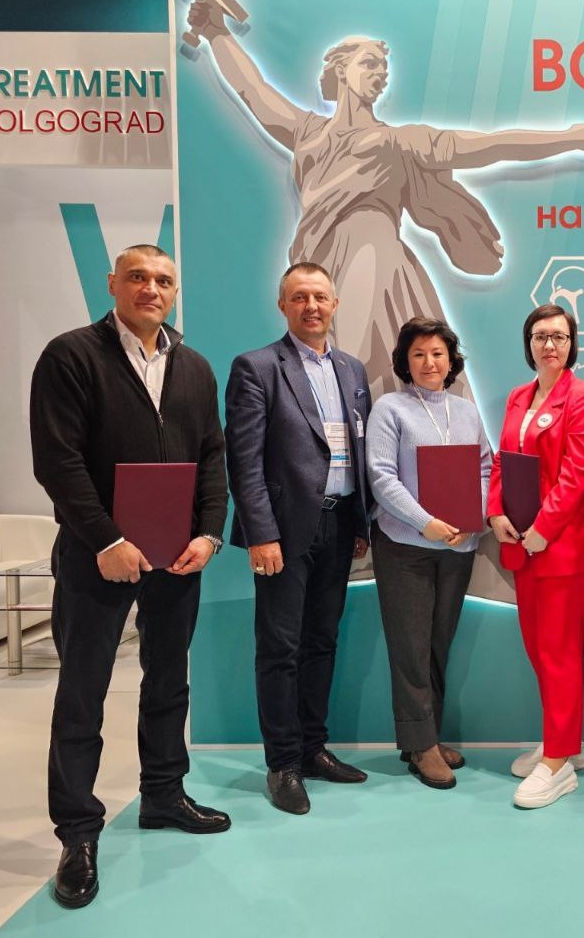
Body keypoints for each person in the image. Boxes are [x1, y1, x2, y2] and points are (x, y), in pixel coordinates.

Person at [186, 0, 584, 395]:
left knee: (357, 362)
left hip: (373, 257)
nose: (379, 75)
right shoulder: (306, 132)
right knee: (320, 367)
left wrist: (567, 138)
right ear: (341, 70)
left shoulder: (400, 141)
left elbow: (489, 145)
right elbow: (252, 89)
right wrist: (216, 31)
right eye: (369, 64)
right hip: (319, 262)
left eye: (383, 69)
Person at [29, 245, 231, 910]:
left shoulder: (194, 366)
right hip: (97, 557)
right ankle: (78, 834)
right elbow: (57, 461)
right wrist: (106, 539)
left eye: (164, 279)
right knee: (82, 693)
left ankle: (164, 794)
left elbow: (212, 455)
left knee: (169, 680)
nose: (151, 288)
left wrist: (208, 533)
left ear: (175, 291)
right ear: (112, 283)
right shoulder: (71, 356)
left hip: (177, 556)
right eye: (138, 277)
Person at [224, 262, 372, 816]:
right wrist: (260, 533)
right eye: (300, 297)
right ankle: (283, 763)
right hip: (282, 534)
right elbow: (244, 460)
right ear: (282, 305)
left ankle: (313, 748)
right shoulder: (258, 367)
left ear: (335, 305)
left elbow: (356, 449)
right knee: (280, 649)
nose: (312, 306)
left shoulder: (352, 370)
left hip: (339, 526)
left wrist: (359, 523)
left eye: (321, 297)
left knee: (321, 643)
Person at [486, 304, 584, 808]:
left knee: (559, 653)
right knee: (539, 649)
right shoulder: (519, 396)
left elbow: (577, 475)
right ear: (529, 344)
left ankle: (558, 764)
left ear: (571, 344)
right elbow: (502, 460)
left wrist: (542, 529)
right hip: (522, 545)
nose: (549, 345)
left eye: (559, 336)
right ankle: (565, 743)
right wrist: (495, 512)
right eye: (540, 336)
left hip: (564, 548)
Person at [365, 317, 492, 790]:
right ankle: (420, 747)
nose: (429, 362)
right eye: (418, 354)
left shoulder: (467, 412)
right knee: (410, 648)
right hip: (405, 547)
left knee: (438, 643)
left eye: (437, 353)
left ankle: (427, 737)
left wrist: (471, 519)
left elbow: (485, 469)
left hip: (458, 546)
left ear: (451, 360)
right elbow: (381, 476)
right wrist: (426, 522)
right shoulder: (389, 409)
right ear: (405, 361)